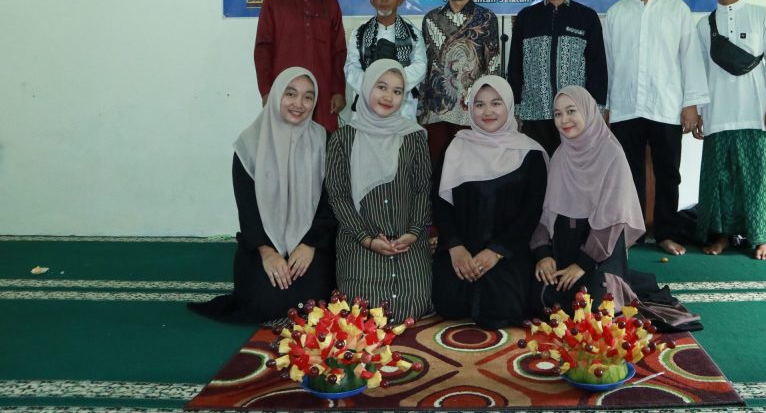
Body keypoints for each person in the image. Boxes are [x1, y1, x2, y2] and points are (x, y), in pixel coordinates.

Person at [530, 87, 701, 331]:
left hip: (599, 254)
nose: (564, 120)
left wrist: (581, 264)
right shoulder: (560, 155)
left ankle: (616, 281)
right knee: (537, 296)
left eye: (571, 111)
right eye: (557, 114)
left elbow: (611, 223)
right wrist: (544, 255)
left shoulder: (611, 154)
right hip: (563, 248)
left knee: (590, 306)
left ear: (589, 112)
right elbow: (545, 214)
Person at [188, 67, 336, 323]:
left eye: (308, 97)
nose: (299, 104)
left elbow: (330, 201)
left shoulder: (325, 141)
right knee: (265, 303)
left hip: (311, 243)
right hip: (262, 245)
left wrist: (310, 244)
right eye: (291, 94)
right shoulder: (249, 145)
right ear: (277, 95)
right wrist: (267, 251)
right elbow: (247, 208)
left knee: (314, 304)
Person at [604, 0, 709, 256]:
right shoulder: (616, 13)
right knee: (627, 173)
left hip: (666, 106)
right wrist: (606, 106)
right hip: (624, 106)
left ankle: (665, 231)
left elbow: (690, 59)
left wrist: (691, 104)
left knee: (668, 173)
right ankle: (632, 232)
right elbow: (608, 63)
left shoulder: (677, 10)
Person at [432, 76, 547, 329]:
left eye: (496, 103)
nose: (487, 112)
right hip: (461, 250)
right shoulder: (456, 146)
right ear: (470, 108)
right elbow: (440, 202)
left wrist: (497, 251)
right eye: (479, 104)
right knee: (448, 305)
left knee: (504, 311)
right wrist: (455, 247)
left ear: (509, 106)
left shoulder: (530, 153)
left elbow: (531, 213)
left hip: (507, 251)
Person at [694, 0, 766, 260]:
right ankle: (721, 236)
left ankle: (760, 238)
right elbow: (697, 71)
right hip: (718, 111)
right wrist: (696, 110)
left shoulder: (761, 16)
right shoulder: (703, 25)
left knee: (758, 177)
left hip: (756, 109)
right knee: (720, 178)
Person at [325, 60, 433, 318]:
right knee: (362, 309)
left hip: (408, 240)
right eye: (381, 87)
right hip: (360, 240)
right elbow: (338, 196)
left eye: (397, 91)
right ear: (366, 87)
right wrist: (367, 239)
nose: (389, 97)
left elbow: (422, 189)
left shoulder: (414, 136)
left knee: (415, 304)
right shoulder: (342, 138)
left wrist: (415, 233)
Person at [507, 0, 607, 156]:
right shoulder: (527, 17)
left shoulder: (586, 17)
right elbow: (515, 66)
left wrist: (597, 108)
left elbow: (597, 66)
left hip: (574, 115)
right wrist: (515, 108)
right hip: (534, 113)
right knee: (539, 175)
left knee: (575, 174)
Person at [419, 0, 500, 187]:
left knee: (472, 170)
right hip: (437, 109)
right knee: (437, 168)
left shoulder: (486, 18)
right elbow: (426, 64)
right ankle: (437, 222)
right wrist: (422, 108)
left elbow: (492, 64)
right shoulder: (431, 19)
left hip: (472, 109)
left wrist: (489, 105)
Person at [255, 0, 347, 132]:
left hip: (323, 92)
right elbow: (263, 47)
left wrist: (338, 91)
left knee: (323, 146)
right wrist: (266, 90)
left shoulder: (330, 4)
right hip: (285, 91)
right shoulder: (274, 1)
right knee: (284, 145)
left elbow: (338, 51)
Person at [344, 0, 426, 120]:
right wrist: (373, 88)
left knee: (402, 143)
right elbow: (351, 67)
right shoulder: (359, 33)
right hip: (367, 103)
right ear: (371, 0)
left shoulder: (413, 33)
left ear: (400, 0)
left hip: (403, 105)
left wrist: (392, 87)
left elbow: (420, 66)